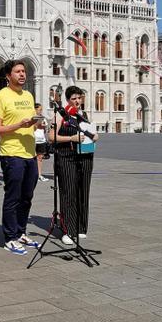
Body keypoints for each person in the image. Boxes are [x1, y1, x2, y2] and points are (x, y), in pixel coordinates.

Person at [0, 60, 42, 255]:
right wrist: (19, 125)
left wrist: (37, 123)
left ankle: (21, 232)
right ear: (8, 76)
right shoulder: (0, 97)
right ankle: (10, 237)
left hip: (30, 153)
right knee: (13, 197)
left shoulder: (28, 95)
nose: (22, 74)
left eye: (24, 71)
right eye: (18, 71)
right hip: (11, 154)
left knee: (27, 197)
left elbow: (30, 124)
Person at [48, 86, 96, 246]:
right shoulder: (60, 114)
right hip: (66, 158)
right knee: (69, 193)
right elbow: (51, 137)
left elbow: (88, 133)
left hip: (85, 157)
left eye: (79, 98)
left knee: (83, 191)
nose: (77, 101)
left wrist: (94, 136)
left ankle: (81, 227)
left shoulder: (84, 115)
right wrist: (71, 138)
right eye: (73, 98)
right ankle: (67, 229)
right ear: (68, 100)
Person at [33, 103, 50, 182]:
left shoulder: (43, 118)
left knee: (40, 158)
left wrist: (44, 126)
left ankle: (39, 174)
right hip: (33, 140)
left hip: (41, 140)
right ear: (35, 109)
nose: (41, 111)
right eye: (39, 109)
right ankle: (33, 175)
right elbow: (34, 127)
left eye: (41, 110)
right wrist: (38, 124)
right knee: (32, 158)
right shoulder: (32, 118)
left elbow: (45, 127)